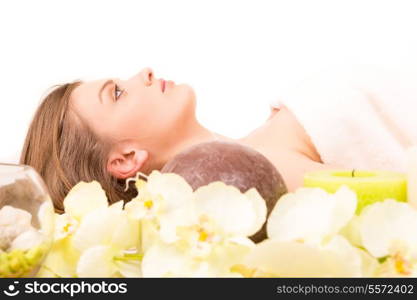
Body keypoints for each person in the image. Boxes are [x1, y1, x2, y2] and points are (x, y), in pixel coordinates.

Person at [21, 65, 412, 212]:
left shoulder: (255, 148)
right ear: (125, 159)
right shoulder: (262, 176)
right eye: (118, 93)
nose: (145, 72)